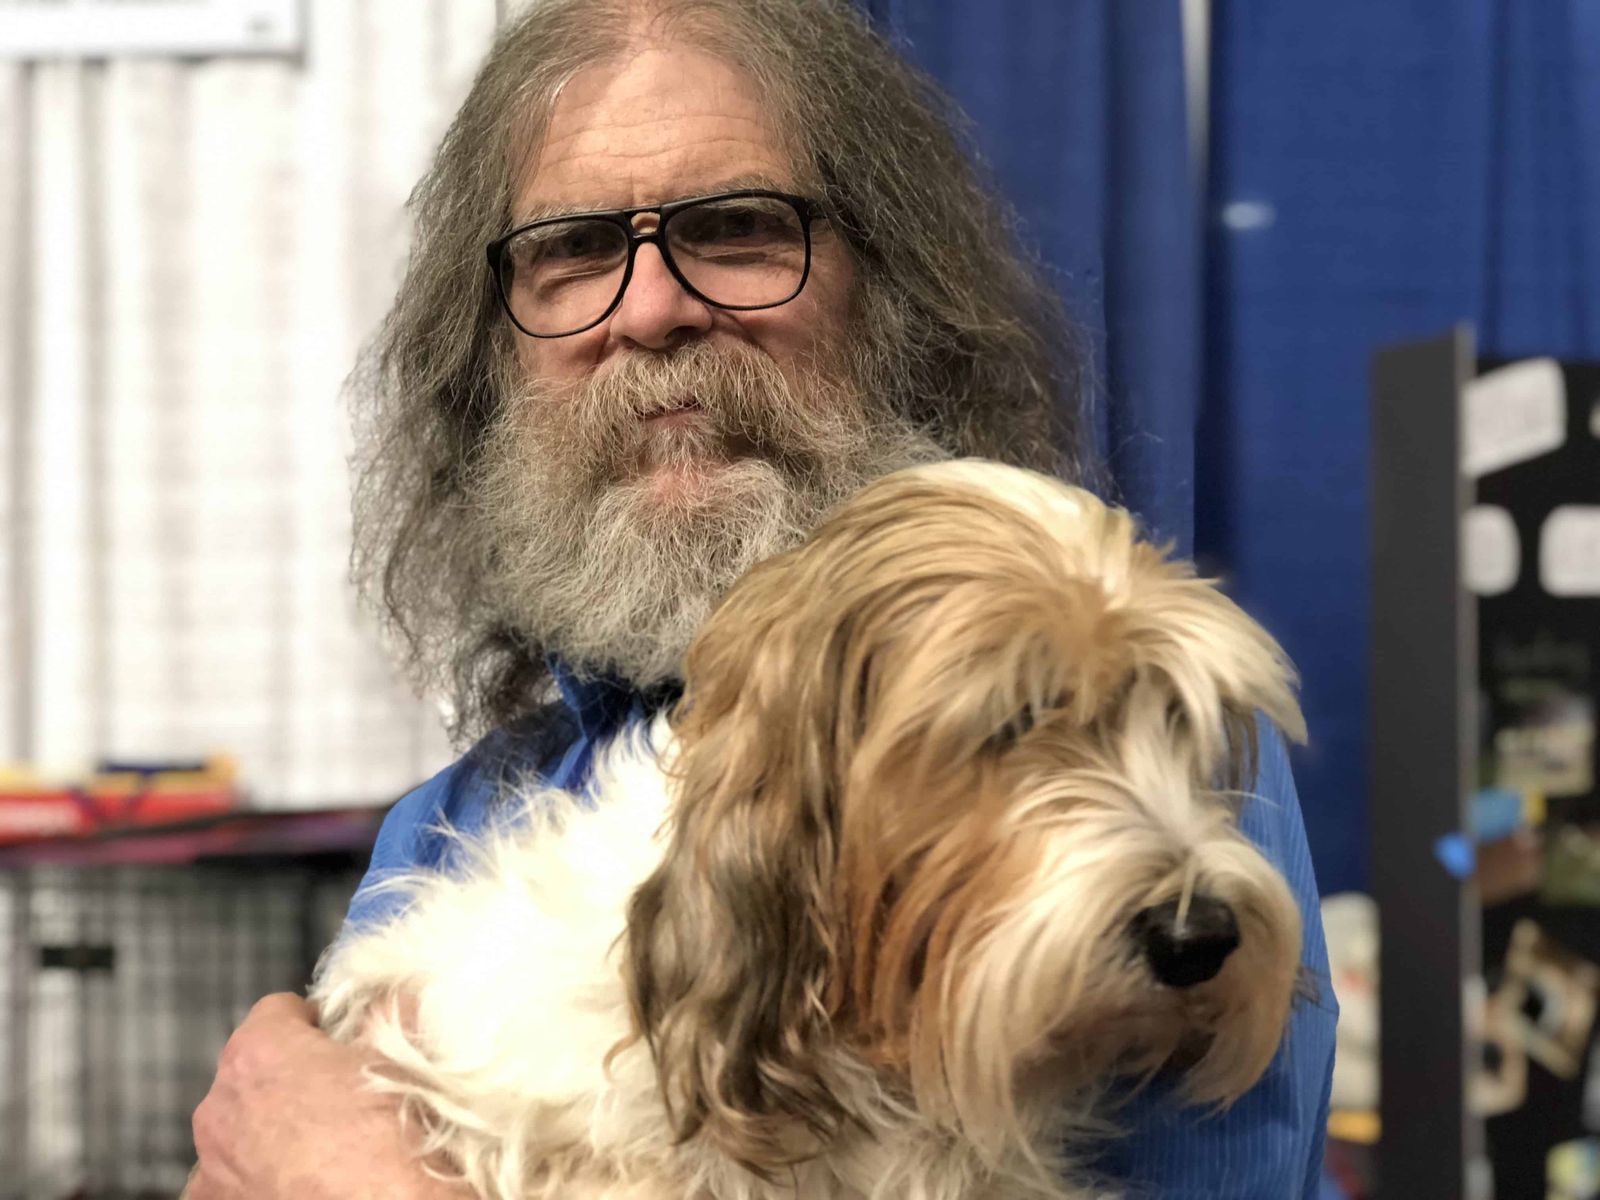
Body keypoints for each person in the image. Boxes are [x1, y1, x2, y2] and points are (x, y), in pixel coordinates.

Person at [187, 1, 1336, 1196]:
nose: (650, 311)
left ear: (891, 293)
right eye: (573, 250)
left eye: (736, 229)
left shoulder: (1154, 749)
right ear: (492, 360)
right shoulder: (446, 826)